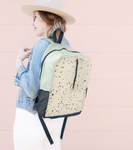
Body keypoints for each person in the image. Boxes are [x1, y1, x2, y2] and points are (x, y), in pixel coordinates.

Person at [13, 0, 76, 150]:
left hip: (31, 118)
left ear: (48, 17)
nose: (32, 22)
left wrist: (19, 63)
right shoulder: (66, 45)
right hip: (55, 121)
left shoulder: (41, 45)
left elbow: (32, 90)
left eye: (35, 16)